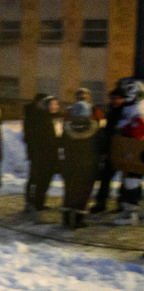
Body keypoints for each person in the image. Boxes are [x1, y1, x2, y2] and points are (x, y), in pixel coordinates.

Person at [61, 101, 99, 229]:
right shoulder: (94, 132)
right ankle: (78, 220)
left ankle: (66, 218)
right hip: (87, 168)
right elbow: (98, 149)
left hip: (70, 167)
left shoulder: (67, 130)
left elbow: (63, 146)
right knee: (83, 193)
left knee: (70, 192)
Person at [91, 87, 128, 213]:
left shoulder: (126, 112)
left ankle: (121, 204)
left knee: (124, 178)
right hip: (112, 149)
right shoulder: (112, 112)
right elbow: (107, 132)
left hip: (123, 148)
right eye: (111, 98)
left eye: (115, 99)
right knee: (106, 176)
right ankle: (102, 203)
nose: (112, 101)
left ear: (122, 99)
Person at [114, 80, 144, 223]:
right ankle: (131, 212)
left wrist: (123, 128)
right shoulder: (134, 107)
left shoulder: (139, 108)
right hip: (132, 149)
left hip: (136, 150)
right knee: (131, 180)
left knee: (132, 180)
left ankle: (131, 214)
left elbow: (137, 132)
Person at [26, 96, 61, 216]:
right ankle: (37, 205)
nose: (55, 107)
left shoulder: (46, 118)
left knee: (43, 181)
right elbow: (44, 140)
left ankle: (38, 204)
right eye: (52, 105)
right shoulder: (43, 119)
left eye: (56, 104)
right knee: (42, 181)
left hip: (45, 156)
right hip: (44, 157)